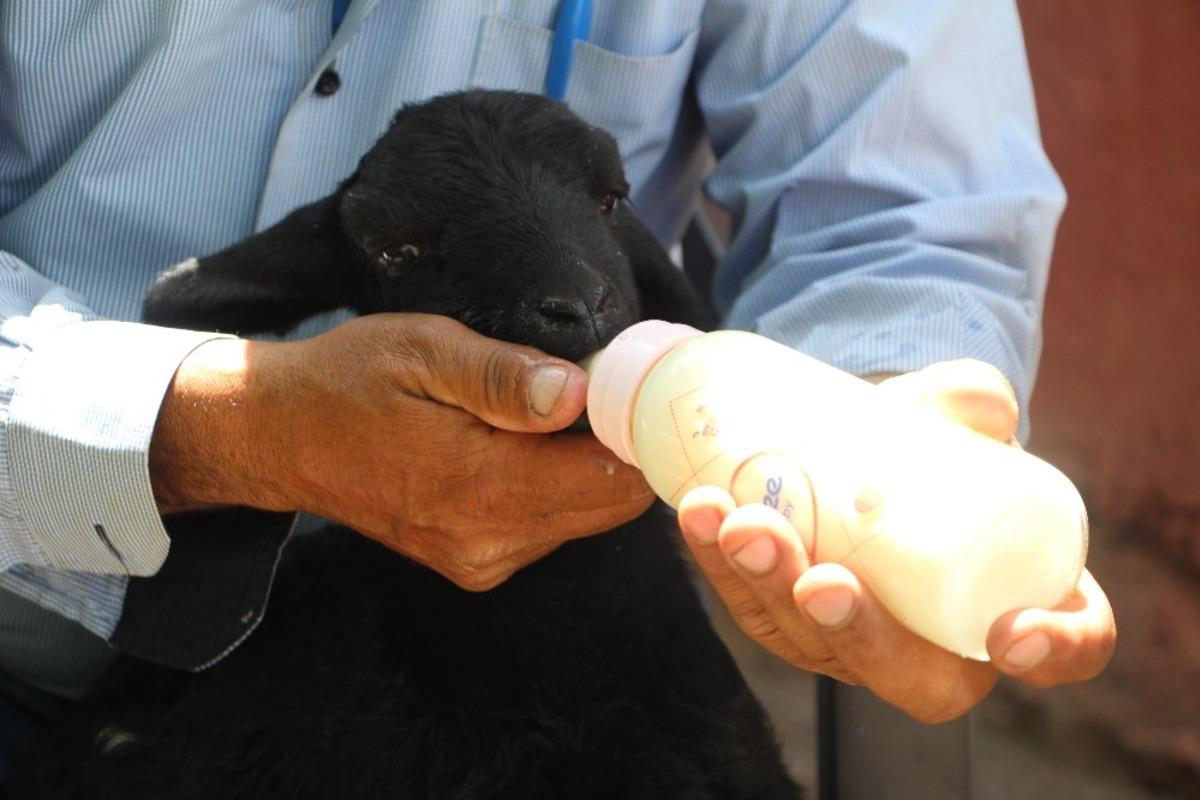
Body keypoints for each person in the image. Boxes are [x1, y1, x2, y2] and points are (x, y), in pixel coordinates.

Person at [0, 0, 1115, 770]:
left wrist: (873, 441)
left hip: (565, 644)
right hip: (31, 636)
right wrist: (217, 429)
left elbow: (903, 202)